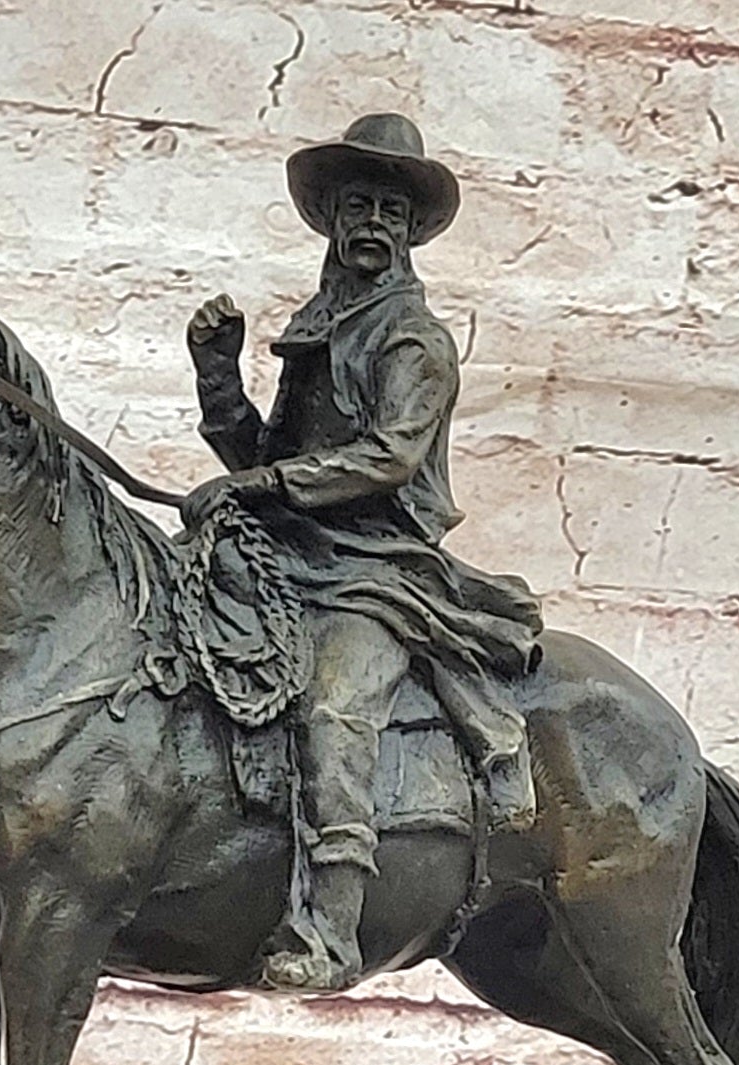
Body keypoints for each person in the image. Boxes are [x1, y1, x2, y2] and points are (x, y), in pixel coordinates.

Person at [184, 113, 543, 992]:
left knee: (335, 709)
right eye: (357, 207)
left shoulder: (413, 340)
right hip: (291, 554)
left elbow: (389, 456)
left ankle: (330, 928)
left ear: (411, 230)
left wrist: (262, 486)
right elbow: (270, 459)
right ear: (334, 222)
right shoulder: (320, 331)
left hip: (375, 572)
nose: (372, 224)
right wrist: (218, 376)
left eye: (390, 210)